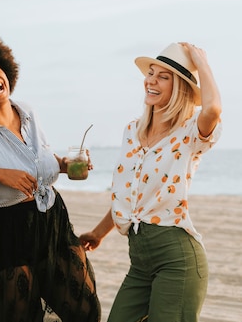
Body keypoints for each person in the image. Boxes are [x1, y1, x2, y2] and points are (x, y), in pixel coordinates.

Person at [0, 32, 101, 322]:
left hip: (51, 222)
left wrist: (65, 165)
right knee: (22, 317)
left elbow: (39, 161)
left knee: (85, 310)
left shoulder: (28, 112)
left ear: (6, 71)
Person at [79, 42, 222, 322]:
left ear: (179, 86)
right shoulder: (132, 131)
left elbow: (213, 108)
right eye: (151, 73)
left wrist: (200, 61)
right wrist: (98, 233)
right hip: (140, 263)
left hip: (177, 260)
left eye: (163, 76)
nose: (151, 81)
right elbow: (129, 195)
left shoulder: (190, 132)